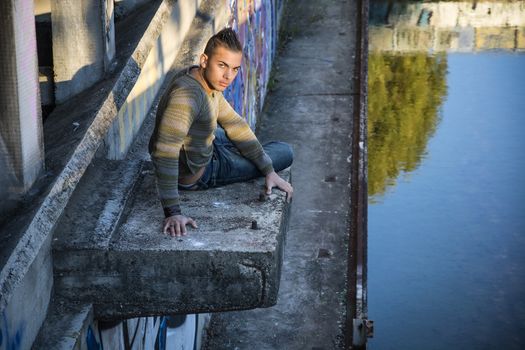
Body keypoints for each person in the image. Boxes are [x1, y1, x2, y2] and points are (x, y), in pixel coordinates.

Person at [149, 28, 293, 237]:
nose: (228, 76)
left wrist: (268, 170)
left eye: (234, 69)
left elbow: (235, 124)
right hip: (202, 171)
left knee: (237, 135)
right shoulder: (187, 96)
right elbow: (164, 151)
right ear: (205, 60)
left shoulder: (203, 80)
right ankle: (244, 157)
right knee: (285, 152)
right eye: (222, 66)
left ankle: (252, 156)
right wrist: (173, 211)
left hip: (204, 145)